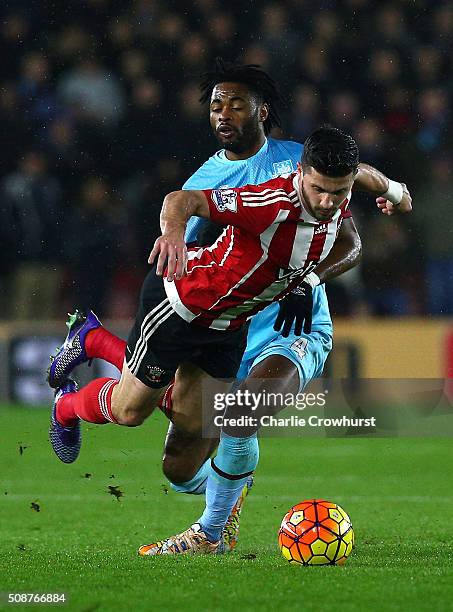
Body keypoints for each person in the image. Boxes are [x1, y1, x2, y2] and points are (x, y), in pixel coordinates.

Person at [48, 123, 411, 555]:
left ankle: (94, 340)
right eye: (319, 191)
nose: (329, 202)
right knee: (133, 413)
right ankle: (67, 405)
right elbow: (181, 201)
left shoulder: (341, 187)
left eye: (338, 193)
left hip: (230, 325)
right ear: (300, 174)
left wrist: (396, 191)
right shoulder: (269, 202)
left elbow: (366, 176)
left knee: (214, 420)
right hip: (181, 307)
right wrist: (172, 236)